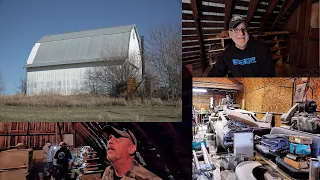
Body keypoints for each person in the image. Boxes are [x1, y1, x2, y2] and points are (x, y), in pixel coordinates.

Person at [207, 15, 275, 77]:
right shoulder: (227, 53)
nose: (241, 33)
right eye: (236, 30)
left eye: (244, 29)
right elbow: (215, 73)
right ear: (230, 34)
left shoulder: (262, 48)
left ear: (248, 31)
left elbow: (269, 75)